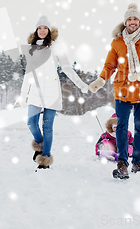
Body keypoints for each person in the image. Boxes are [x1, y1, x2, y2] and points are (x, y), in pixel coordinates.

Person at [88, 3, 140, 179]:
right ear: (125, 22)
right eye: (129, 19)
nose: (132, 22)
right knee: (121, 127)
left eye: (135, 18)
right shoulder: (117, 42)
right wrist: (101, 80)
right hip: (123, 90)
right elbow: (110, 65)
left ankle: (137, 162)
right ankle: (122, 163)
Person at [20, 15, 89, 169]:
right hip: (35, 92)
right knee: (31, 123)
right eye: (40, 28)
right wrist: (23, 94)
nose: (42, 31)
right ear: (36, 30)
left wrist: (81, 84)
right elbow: (28, 73)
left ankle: (44, 159)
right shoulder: (32, 49)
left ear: (49, 31)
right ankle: (41, 145)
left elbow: (66, 68)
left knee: (47, 126)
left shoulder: (56, 47)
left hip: (52, 92)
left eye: (45, 28)